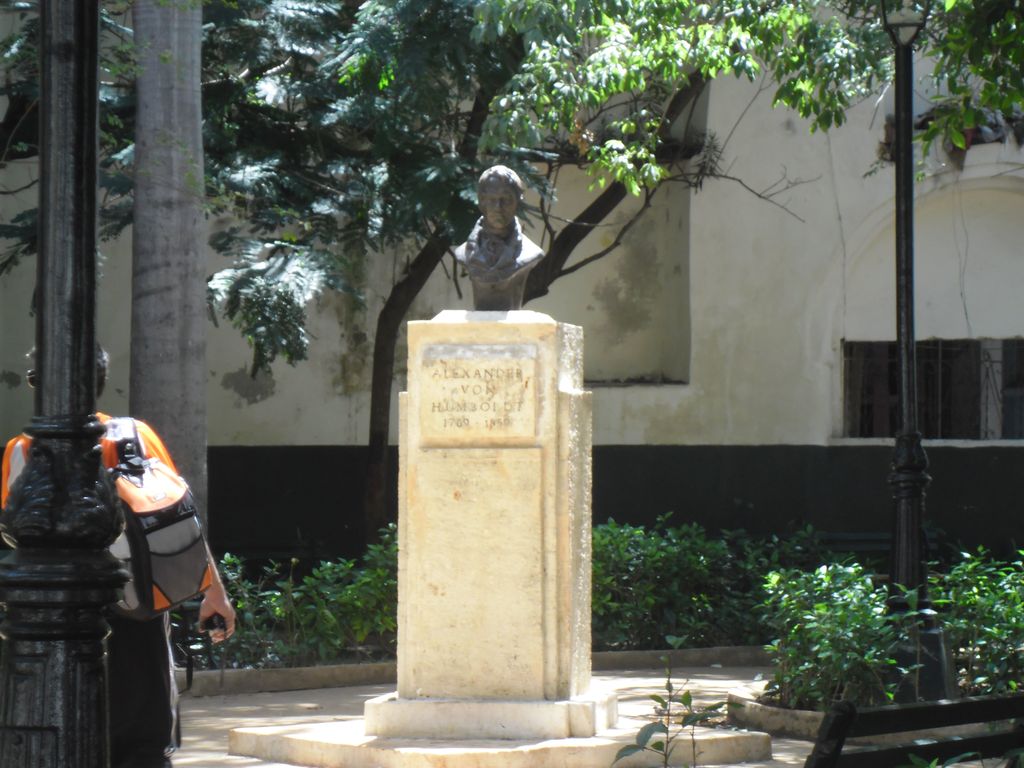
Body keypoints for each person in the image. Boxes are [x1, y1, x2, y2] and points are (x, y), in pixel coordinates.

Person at [0, 348, 236, 768]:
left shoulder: (21, 450)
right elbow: (178, 519)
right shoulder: (134, 435)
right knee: (143, 740)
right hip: (135, 606)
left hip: (51, 619)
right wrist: (213, 593)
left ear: (46, 387)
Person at [454, 165, 545, 311]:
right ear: (481, 201)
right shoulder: (463, 252)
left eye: (506, 199)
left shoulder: (531, 252)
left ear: (518, 201)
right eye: (491, 199)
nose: (498, 207)